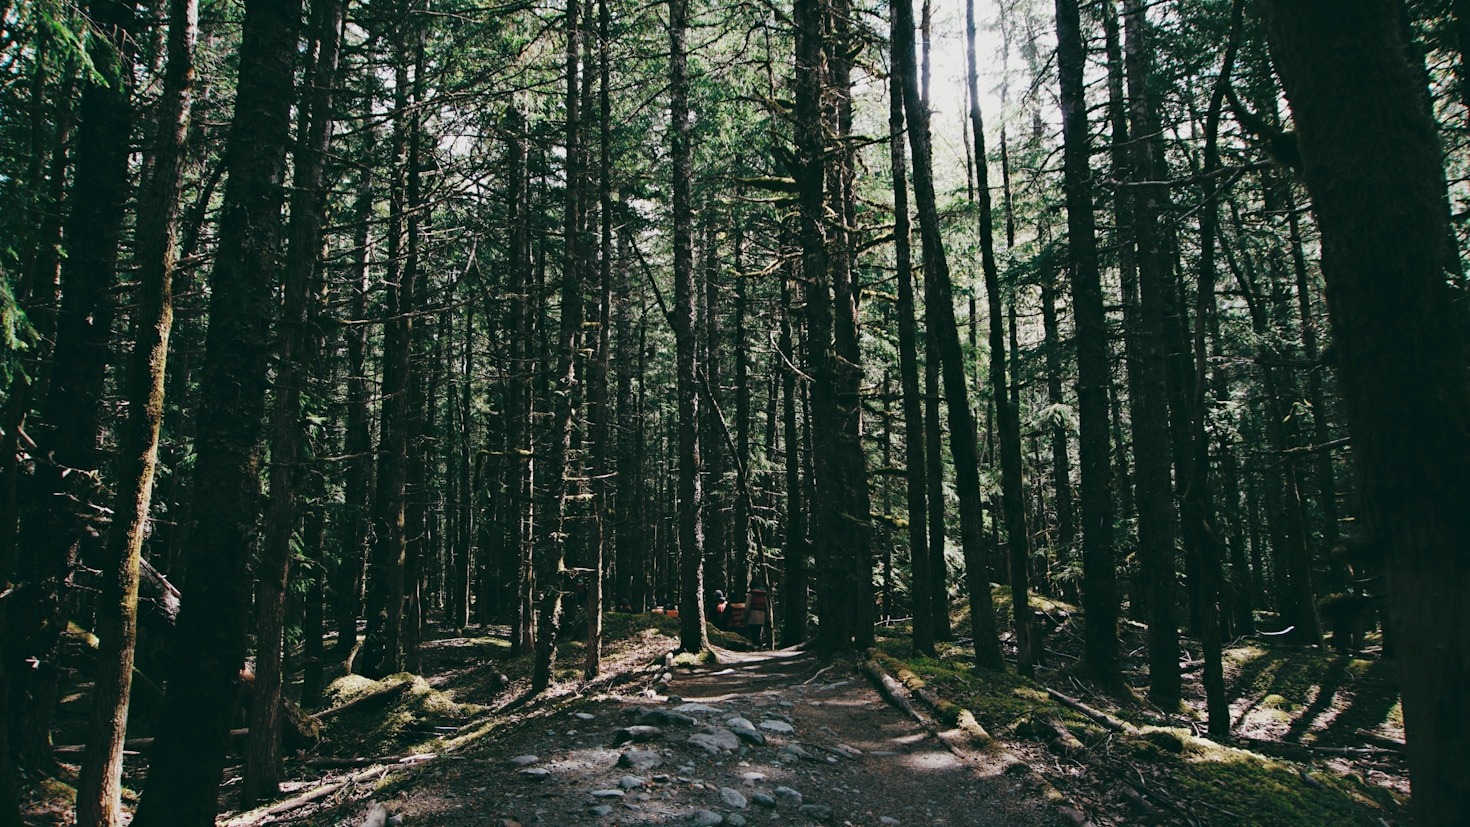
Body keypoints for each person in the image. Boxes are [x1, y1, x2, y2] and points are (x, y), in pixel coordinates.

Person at [744, 580, 769, 645]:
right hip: (761, 617)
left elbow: (747, 607)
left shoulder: (751, 594)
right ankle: (758, 645)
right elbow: (766, 607)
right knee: (758, 632)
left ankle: (755, 646)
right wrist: (767, 618)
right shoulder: (763, 595)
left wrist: (745, 617)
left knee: (753, 633)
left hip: (752, 616)